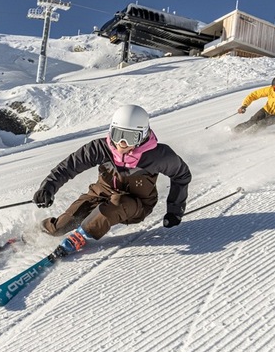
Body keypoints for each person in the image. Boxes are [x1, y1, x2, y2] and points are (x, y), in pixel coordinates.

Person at [32, 104, 191, 256]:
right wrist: (48, 187)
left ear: (142, 136)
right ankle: (35, 233)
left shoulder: (158, 156)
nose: (122, 143)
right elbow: (69, 166)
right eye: (118, 134)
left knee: (117, 203)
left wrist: (175, 211)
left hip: (136, 205)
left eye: (130, 137)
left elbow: (181, 175)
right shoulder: (100, 148)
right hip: (100, 195)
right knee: (60, 226)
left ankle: (80, 236)